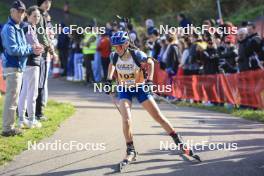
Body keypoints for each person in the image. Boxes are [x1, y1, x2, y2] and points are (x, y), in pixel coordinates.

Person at [105, 31, 198, 165]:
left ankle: (178, 141)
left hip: (140, 88)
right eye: (114, 46)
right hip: (124, 89)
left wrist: (149, 80)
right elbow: (112, 65)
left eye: (119, 46)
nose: (116, 49)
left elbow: (151, 63)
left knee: (158, 117)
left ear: (126, 44)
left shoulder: (136, 54)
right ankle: (130, 150)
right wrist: (109, 79)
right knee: (126, 120)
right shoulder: (114, 55)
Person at [1, 0, 43, 136]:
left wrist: (31, 48)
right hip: (12, 66)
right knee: (11, 99)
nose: (20, 14)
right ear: (11, 11)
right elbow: (13, 49)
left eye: (22, 11)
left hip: (18, 66)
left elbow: (22, 47)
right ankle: (8, 128)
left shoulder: (18, 27)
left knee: (14, 98)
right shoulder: (9, 28)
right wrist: (31, 49)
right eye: (18, 11)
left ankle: (10, 126)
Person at [35, 0, 57, 121]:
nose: (48, 4)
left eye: (50, 2)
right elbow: (43, 36)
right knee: (40, 84)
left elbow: (50, 34)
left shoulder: (46, 16)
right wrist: (51, 51)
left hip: (45, 53)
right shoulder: (39, 15)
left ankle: (39, 110)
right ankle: (38, 112)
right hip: (42, 54)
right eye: (45, 2)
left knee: (42, 83)